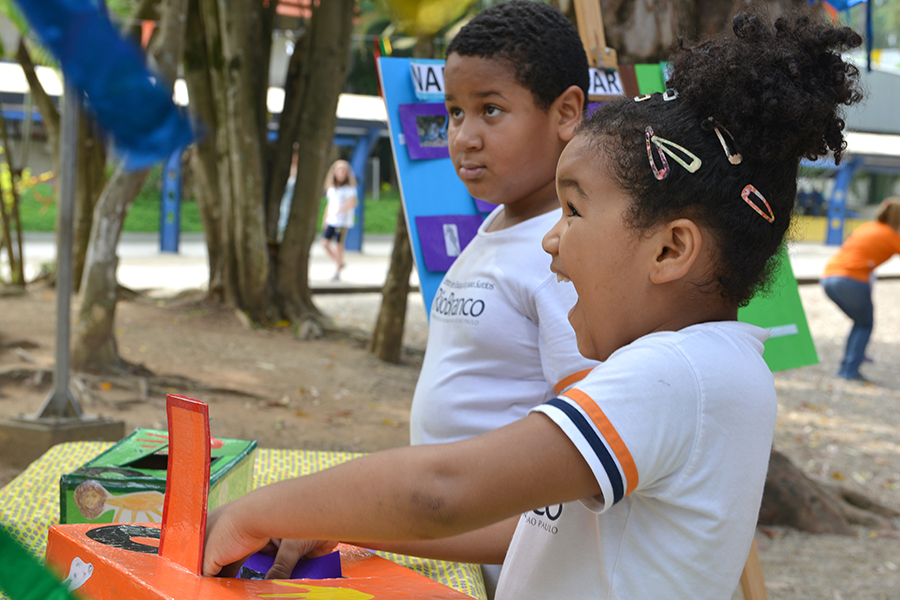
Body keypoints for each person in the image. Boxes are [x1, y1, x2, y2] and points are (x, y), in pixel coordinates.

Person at [203, 11, 862, 600]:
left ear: (671, 250)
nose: (550, 238)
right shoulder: (706, 369)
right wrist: (334, 523)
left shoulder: (676, 374)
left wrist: (252, 513)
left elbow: (444, 490)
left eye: (574, 210)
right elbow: (523, 519)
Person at [407, 4, 597, 591]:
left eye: (490, 110)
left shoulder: (563, 257)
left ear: (565, 112)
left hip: (514, 561)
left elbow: (585, 465)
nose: (464, 137)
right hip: (451, 543)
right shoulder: (495, 226)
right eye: (455, 113)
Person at [821, 198, 900, 381]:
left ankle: (852, 359)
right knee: (864, 323)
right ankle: (849, 369)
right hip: (851, 281)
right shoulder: (890, 235)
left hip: (828, 277)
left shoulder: (867, 227)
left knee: (859, 322)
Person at [320, 159, 358, 280]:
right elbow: (329, 204)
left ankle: (337, 270)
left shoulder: (349, 189)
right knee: (324, 243)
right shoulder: (331, 188)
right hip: (332, 220)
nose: (341, 173)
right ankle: (339, 262)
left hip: (343, 221)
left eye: (344, 171)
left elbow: (352, 203)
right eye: (339, 170)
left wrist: (340, 210)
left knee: (339, 245)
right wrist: (325, 219)